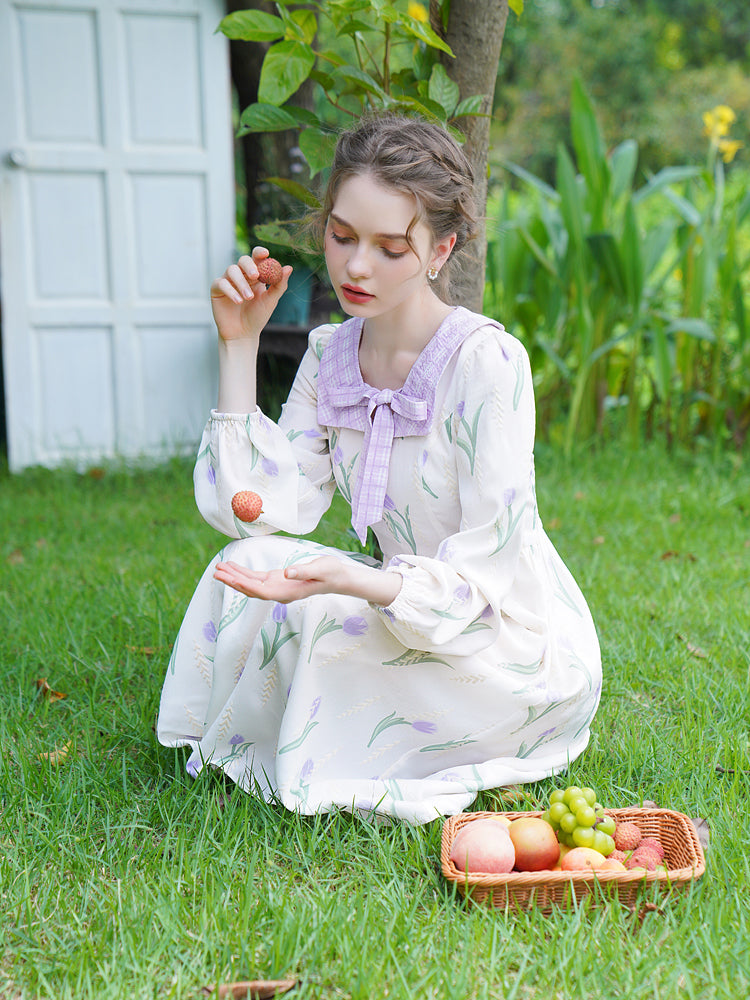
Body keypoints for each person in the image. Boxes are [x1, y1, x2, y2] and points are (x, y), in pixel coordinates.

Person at [156, 113, 602, 825]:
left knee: (326, 622)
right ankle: (264, 736)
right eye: (342, 236)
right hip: (395, 602)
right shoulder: (332, 353)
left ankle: (307, 750)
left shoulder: (487, 363)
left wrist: (363, 582)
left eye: (390, 247)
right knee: (250, 572)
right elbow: (263, 512)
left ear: (440, 248)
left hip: (497, 639)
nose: (356, 267)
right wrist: (239, 346)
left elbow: (491, 563)